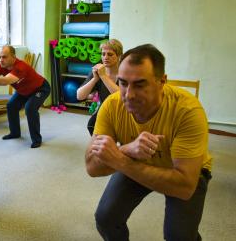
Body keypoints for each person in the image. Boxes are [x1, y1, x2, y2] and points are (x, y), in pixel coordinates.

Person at [85, 44, 212, 240]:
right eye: (123, 83)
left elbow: (185, 187)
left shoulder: (188, 111)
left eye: (140, 84)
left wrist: (119, 159)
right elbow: (92, 167)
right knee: (106, 218)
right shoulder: (112, 105)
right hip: (136, 160)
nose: (128, 94)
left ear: (162, 81)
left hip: (180, 170)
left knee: (179, 236)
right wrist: (127, 150)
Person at [0, 45, 50, 148]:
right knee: (11, 105)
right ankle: (15, 133)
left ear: (13, 56)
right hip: (24, 91)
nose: (1, 60)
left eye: (4, 57)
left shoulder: (20, 67)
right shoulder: (2, 66)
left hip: (40, 89)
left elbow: (5, 81)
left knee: (30, 108)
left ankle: (36, 139)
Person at [76, 39, 123, 135]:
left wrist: (103, 77)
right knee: (91, 126)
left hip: (123, 111)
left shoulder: (125, 72)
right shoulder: (98, 71)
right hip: (105, 109)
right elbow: (79, 96)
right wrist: (94, 79)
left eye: (110, 54)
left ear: (119, 56)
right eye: (103, 54)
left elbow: (121, 97)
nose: (105, 57)